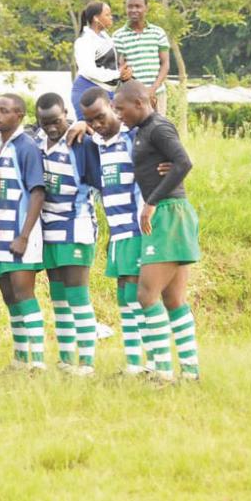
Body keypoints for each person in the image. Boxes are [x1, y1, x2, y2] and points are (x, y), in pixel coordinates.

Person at [113, 80, 200, 382]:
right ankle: (190, 373)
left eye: (121, 109)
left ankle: (162, 372)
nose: (118, 114)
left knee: (146, 294)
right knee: (174, 300)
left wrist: (151, 201)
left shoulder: (158, 128)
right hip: (169, 213)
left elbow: (184, 162)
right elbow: (174, 164)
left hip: (168, 215)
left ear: (140, 103)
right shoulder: (142, 130)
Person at [80, 87, 150, 375]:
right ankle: (133, 364)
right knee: (123, 297)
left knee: (137, 297)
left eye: (101, 117)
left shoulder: (133, 137)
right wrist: (79, 125)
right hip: (117, 234)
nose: (97, 124)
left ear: (113, 107)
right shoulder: (98, 143)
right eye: (91, 120)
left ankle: (151, 364)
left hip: (137, 230)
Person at [32, 92, 99, 376]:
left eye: (56, 121)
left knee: (77, 295)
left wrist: (87, 125)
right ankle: (65, 359)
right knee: (58, 297)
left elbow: (98, 180)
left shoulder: (81, 142)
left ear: (66, 115)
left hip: (76, 226)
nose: (51, 128)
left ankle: (86, 364)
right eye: (44, 122)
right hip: (47, 228)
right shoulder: (35, 141)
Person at [0, 94, 47, 370]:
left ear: (20, 116)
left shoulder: (26, 146)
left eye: (4, 111)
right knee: (9, 297)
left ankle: (36, 362)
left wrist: (24, 235)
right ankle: (20, 358)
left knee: (24, 295)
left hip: (20, 233)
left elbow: (37, 193)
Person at [71, 1, 132, 121]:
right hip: (87, 91)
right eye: (107, 14)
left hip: (107, 92)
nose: (111, 17)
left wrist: (124, 73)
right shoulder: (85, 41)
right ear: (96, 18)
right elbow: (89, 70)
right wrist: (117, 74)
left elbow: (111, 64)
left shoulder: (105, 37)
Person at [112, 0, 170, 115]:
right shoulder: (118, 36)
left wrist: (152, 89)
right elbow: (120, 68)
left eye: (138, 6)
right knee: (135, 132)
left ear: (146, 8)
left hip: (157, 94)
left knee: (158, 131)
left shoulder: (158, 32)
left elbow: (165, 64)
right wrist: (142, 93)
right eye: (130, 6)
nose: (134, 10)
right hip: (132, 97)